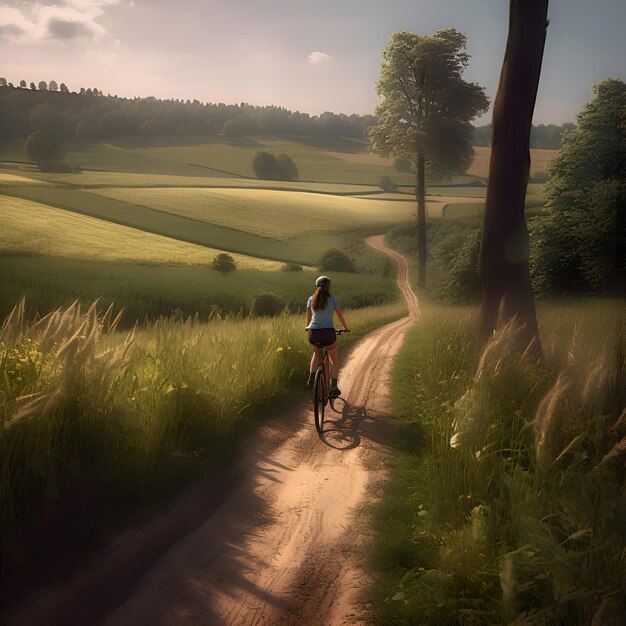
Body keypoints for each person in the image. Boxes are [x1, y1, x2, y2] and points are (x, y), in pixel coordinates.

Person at [305, 275, 350, 398]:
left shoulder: (311, 299)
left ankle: (311, 378)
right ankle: (333, 386)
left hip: (313, 333)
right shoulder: (333, 300)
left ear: (317, 286)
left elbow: (308, 318)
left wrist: (307, 327)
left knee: (316, 353)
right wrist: (345, 328)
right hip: (328, 334)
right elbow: (340, 317)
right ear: (328, 287)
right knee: (334, 360)